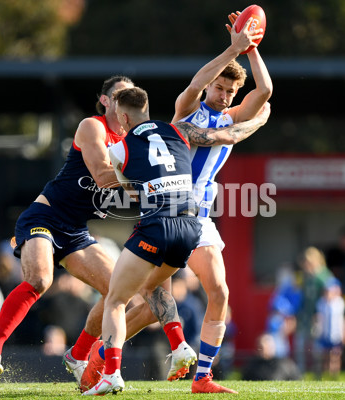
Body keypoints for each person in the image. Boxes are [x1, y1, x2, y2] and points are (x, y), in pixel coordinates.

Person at [0, 75, 165, 383]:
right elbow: (104, 176)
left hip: (76, 231)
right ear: (105, 101)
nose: (124, 101)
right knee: (40, 280)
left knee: (120, 291)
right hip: (44, 218)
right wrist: (149, 180)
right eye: (119, 95)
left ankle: (78, 355)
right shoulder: (93, 126)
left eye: (130, 96)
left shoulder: (135, 142)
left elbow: (139, 189)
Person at [83, 86, 270, 395]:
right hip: (189, 226)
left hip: (158, 224)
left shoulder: (122, 146)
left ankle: (110, 369)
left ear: (123, 116)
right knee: (153, 294)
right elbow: (227, 135)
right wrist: (258, 120)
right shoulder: (179, 130)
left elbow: (121, 187)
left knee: (117, 299)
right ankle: (179, 346)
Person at [161, 9, 271, 394]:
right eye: (219, 89)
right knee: (145, 301)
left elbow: (266, 92)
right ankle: (94, 353)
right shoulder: (189, 110)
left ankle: (203, 377)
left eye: (229, 91)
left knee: (220, 293)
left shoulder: (231, 116)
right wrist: (232, 50)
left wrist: (252, 48)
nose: (223, 95)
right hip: (169, 210)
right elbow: (195, 83)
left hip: (201, 217)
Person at [295, 246, 334, 373]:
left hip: (319, 317)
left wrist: (320, 314)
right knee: (300, 344)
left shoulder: (324, 276)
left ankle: (318, 373)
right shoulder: (305, 277)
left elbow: (330, 297)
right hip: (305, 317)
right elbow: (302, 297)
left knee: (317, 348)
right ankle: (300, 372)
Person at [313, 277, 345, 379]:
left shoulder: (340, 303)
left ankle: (334, 375)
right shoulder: (321, 303)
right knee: (325, 356)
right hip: (324, 334)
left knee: (335, 356)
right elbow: (317, 318)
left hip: (336, 334)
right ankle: (325, 375)